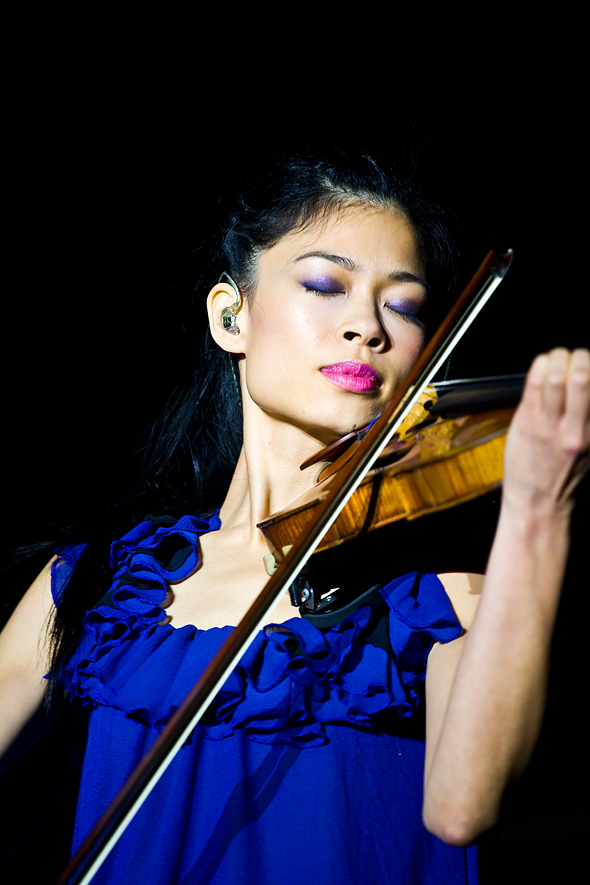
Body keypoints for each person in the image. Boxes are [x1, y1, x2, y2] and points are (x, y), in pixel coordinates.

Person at [1, 149, 588, 884]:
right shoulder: (98, 582)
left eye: (403, 306)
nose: (367, 327)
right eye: (324, 285)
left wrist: (538, 513)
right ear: (230, 316)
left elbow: (463, 807)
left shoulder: (444, 599)